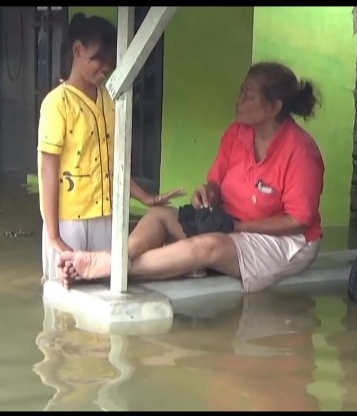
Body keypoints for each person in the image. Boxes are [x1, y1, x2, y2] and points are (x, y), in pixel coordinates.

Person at [59, 61, 325, 293]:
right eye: (241, 92)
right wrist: (208, 192)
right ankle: (119, 257)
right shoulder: (237, 133)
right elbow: (216, 184)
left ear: (274, 107)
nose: (239, 100)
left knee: (209, 246)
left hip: (286, 242)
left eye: (248, 95)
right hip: (229, 225)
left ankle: (107, 266)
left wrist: (237, 228)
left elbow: (298, 221)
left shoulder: (301, 151)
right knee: (159, 215)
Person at [38, 13, 184, 283]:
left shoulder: (111, 99)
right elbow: (49, 172)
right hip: (69, 220)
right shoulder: (57, 103)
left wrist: (145, 197)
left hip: (107, 215)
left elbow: (113, 164)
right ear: (77, 50)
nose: (106, 67)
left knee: (105, 284)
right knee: (63, 294)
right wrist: (54, 235)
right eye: (98, 59)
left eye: (110, 61)